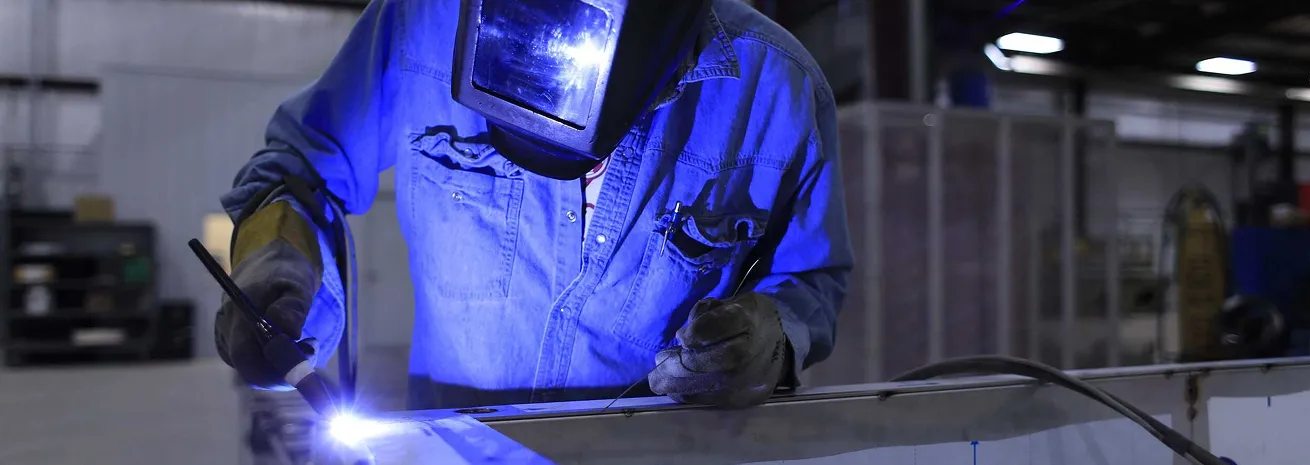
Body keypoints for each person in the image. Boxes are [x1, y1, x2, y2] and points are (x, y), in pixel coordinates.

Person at [214, 0, 852, 411]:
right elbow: (300, 171)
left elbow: (812, 279)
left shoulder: (775, 88)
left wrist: (770, 340)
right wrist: (277, 263)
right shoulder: (421, 22)